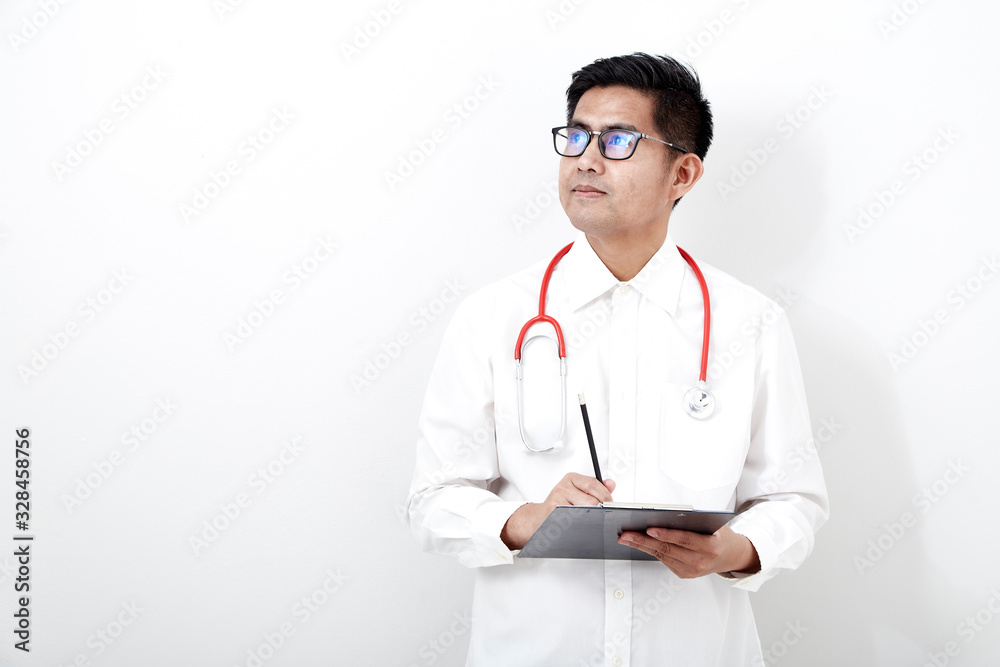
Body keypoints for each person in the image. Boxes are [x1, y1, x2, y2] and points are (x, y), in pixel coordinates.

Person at [406, 52, 828, 666]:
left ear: (682, 174)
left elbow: (795, 500)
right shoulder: (494, 316)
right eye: (576, 135)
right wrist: (527, 520)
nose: (586, 157)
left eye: (619, 140)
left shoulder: (750, 322)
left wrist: (732, 551)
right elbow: (432, 499)